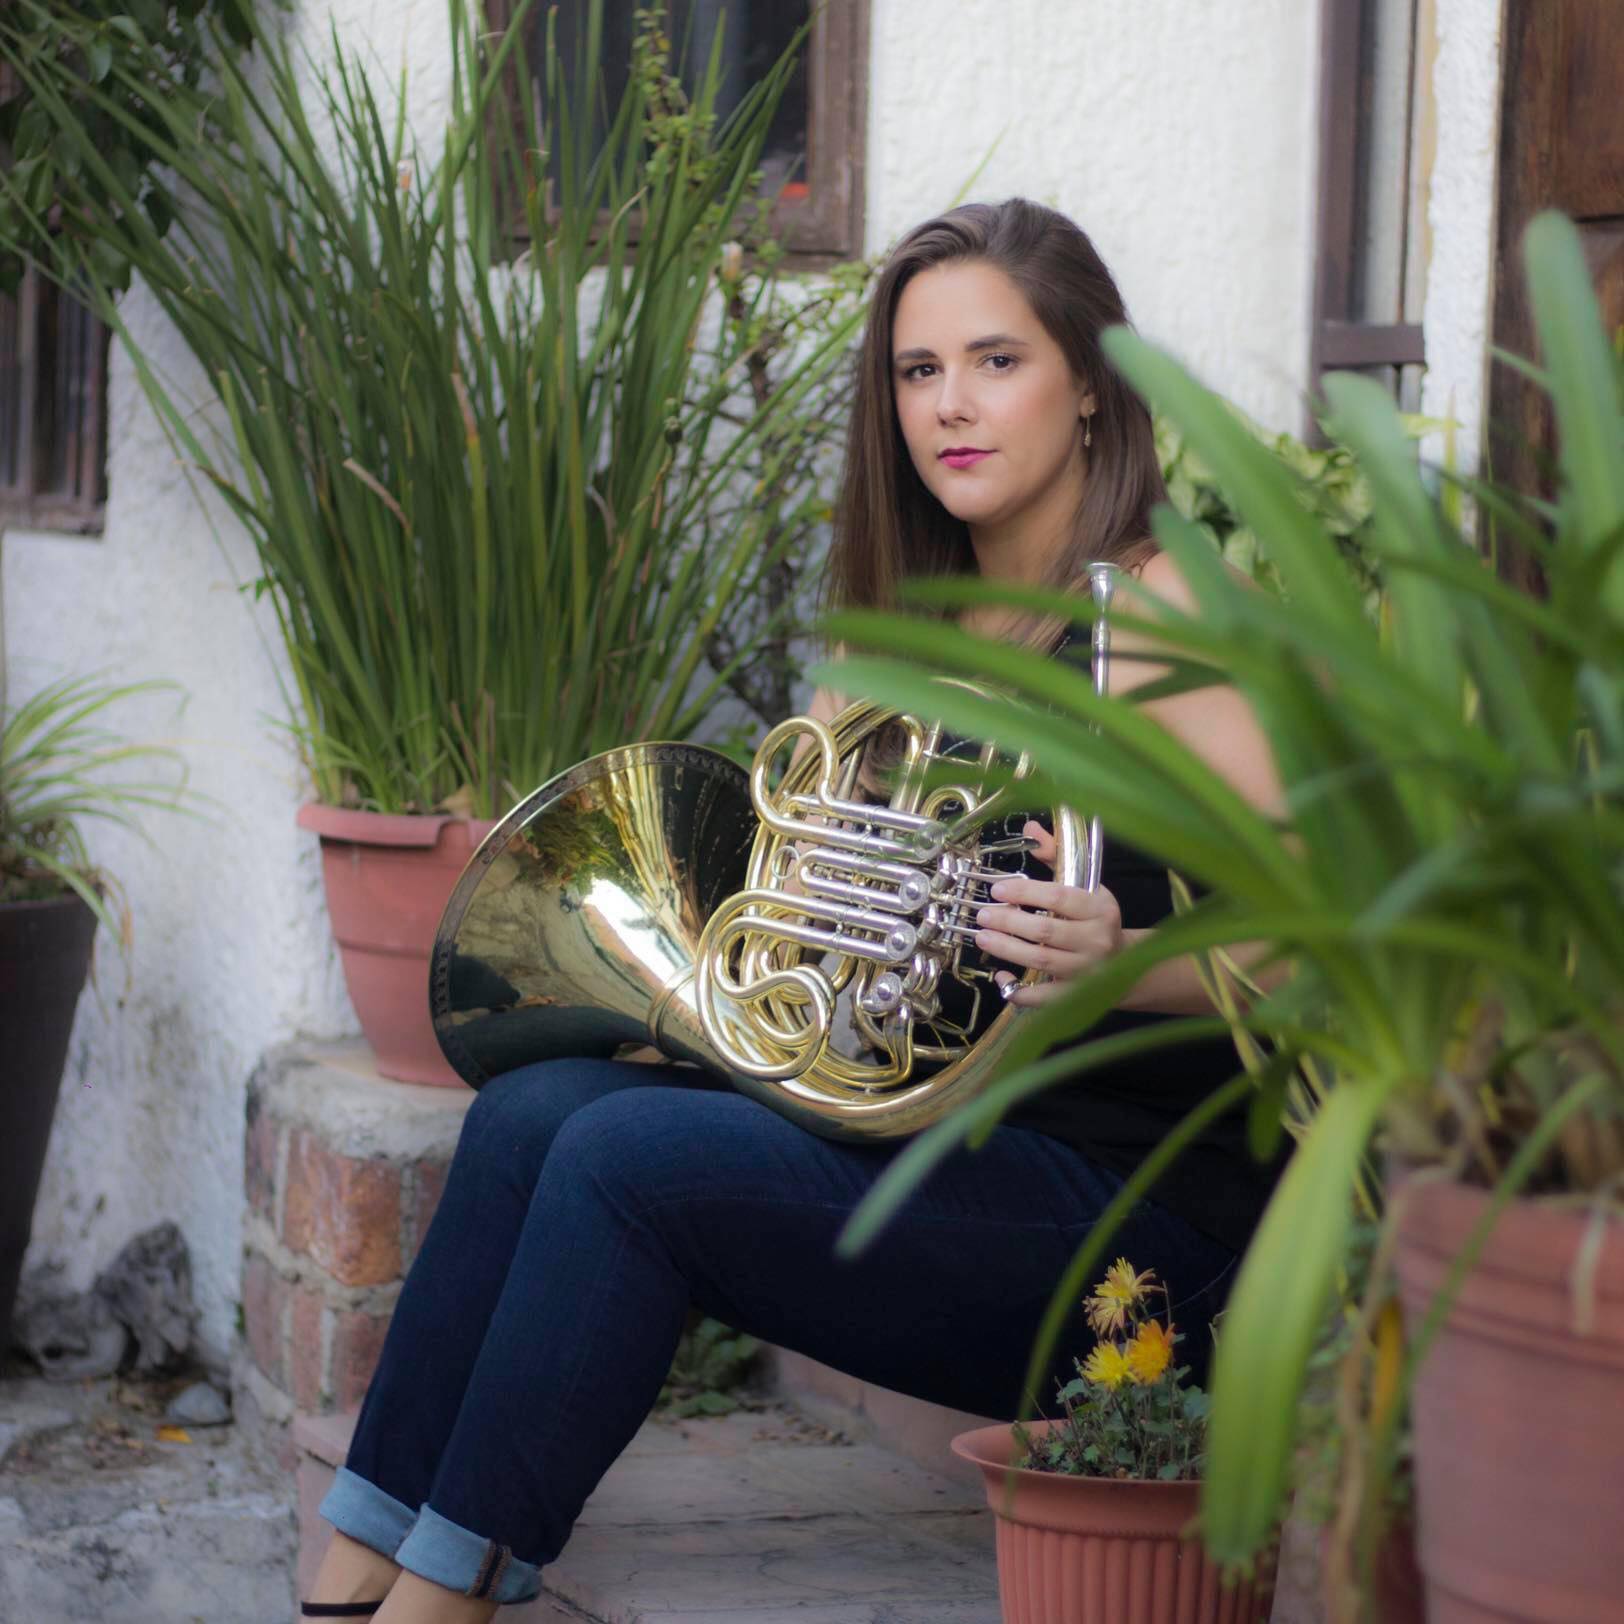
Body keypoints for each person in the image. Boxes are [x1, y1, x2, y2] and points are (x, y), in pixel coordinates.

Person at [300, 198, 1287, 1622]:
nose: (949, 404)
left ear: (1092, 385)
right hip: (952, 1150)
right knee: (534, 1113)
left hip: (1132, 1241)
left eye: (997, 361)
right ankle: (358, 1560)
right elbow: (820, 938)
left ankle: (442, 1600)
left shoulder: (1169, 617)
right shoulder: (905, 636)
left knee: (628, 1162)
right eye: (916, 370)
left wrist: (1125, 961)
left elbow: (1327, 951)